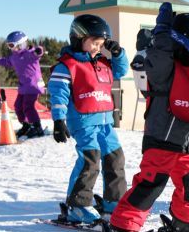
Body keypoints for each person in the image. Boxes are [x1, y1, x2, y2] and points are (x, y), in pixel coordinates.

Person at [110, 3, 189, 232]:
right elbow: (160, 52)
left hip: (186, 147)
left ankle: (184, 221)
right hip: (161, 141)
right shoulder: (165, 70)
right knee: (150, 186)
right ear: (180, 43)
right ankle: (123, 225)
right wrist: (162, 29)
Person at [48, 14, 129, 224]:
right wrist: (58, 120)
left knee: (115, 159)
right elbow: (58, 94)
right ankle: (78, 205)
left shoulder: (103, 63)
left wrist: (118, 53)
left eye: (101, 44)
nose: (97, 48)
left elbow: (121, 70)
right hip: (83, 123)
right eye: (94, 43)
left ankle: (114, 203)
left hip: (105, 123)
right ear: (77, 38)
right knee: (90, 161)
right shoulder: (67, 66)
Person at [0, 31, 46, 138]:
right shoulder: (14, 57)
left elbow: (38, 53)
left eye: (12, 45)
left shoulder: (30, 54)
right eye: (9, 46)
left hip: (33, 86)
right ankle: (26, 125)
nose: (11, 48)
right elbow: (5, 61)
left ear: (21, 43)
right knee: (17, 107)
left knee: (28, 106)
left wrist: (39, 50)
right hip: (23, 86)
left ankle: (37, 127)